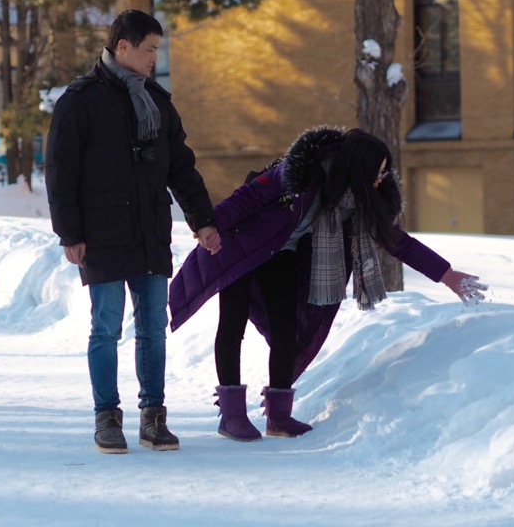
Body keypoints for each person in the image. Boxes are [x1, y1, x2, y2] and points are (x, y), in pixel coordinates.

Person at [168, 126, 487, 442]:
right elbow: (247, 198)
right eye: (378, 172)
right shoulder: (300, 171)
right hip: (240, 243)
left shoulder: (356, 199)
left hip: (282, 254)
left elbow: (396, 241)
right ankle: (232, 415)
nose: (381, 179)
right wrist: (207, 225)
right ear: (358, 167)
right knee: (232, 323)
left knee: (286, 331)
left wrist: (446, 275)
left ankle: (278, 417)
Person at [45, 9, 221, 454]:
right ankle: (107, 416)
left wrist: (202, 219)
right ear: (123, 47)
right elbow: (60, 173)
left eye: (157, 51)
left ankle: (154, 416)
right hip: (101, 234)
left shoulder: (158, 102)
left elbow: (181, 166)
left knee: (152, 328)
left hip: (149, 231)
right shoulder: (79, 101)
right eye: (149, 50)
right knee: (106, 327)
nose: (154, 60)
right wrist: (70, 233)